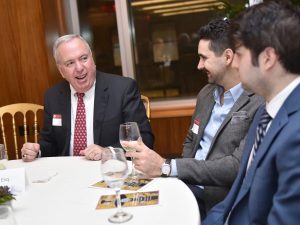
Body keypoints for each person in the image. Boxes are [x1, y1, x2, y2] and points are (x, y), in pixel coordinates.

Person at [124, 18, 263, 218]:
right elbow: (192, 138)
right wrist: (179, 175)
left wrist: (169, 167)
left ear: (228, 57)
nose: (199, 66)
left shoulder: (258, 100)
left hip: (220, 199)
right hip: (185, 184)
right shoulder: (206, 94)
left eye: (204, 58)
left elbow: (235, 167)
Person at [202, 1, 300, 224]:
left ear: (267, 58)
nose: (234, 64)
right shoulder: (265, 113)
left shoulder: (296, 135)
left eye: (239, 54)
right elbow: (234, 202)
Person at [21, 34, 154, 162]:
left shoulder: (123, 89)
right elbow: (50, 143)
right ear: (61, 71)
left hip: (109, 170)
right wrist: (37, 151)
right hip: (67, 174)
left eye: (84, 58)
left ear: (93, 60)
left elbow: (145, 139)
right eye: (70, 63)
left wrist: (108, 152)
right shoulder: (53, 96)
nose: (79, 68)